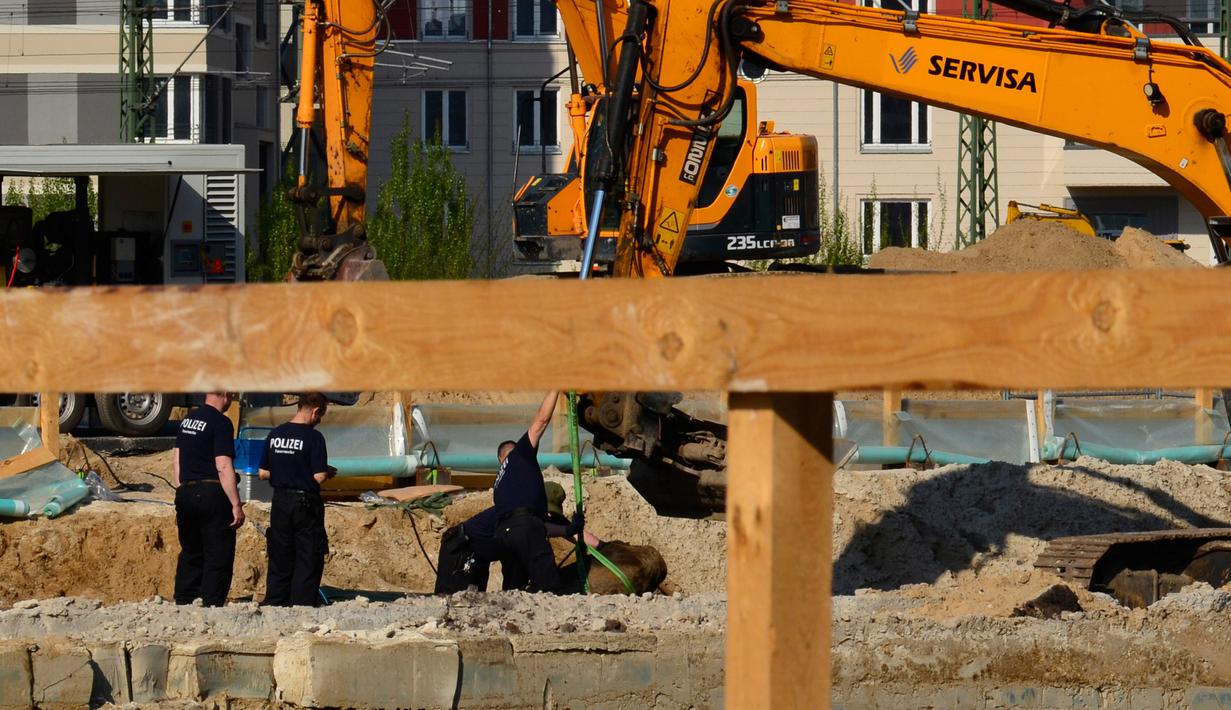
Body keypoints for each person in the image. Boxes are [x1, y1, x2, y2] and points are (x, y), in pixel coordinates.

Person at [434, 481, 601, 594]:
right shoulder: (514, 513)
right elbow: (543, 529)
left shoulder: (544, 516)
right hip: (461, 550)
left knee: (475, 601)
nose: (548, 514)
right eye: (545, 511)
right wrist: (564, 530)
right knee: (452, 602)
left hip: (482, 558)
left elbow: (577, 535)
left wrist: (606, 549)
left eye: (551, 513)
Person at [493, 390, 585, 593]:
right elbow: (541, 420)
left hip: (504, 536)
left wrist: (567, 531)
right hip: (525, 529)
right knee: (549, 589)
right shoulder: (521, 454)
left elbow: (524, 523)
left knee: (513, 592)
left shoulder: (500, 482)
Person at [259, 392, 335, 606]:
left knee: (280, 552)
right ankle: (301, 602)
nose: (319, 420)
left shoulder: (275, 434)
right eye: (321, 415)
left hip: (280, 501)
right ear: (316, 410)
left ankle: (276, 600)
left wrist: (287, 473)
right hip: (305, 503)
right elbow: (318, 477)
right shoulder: (314, 438)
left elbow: (263, 472)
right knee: (308, 553)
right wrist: (326, 472)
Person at [172, 391, 243, 607]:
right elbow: (223, 466)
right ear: (223, 393)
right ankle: (212, 605)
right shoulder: (221, 422)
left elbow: (177, 458)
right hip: (211, 493)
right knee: (218, 553)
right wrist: (235, 504)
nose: (232, 398)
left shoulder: (188, 420)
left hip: (185, 491)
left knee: (191, 550)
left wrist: (180, 490)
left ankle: (184, 601)